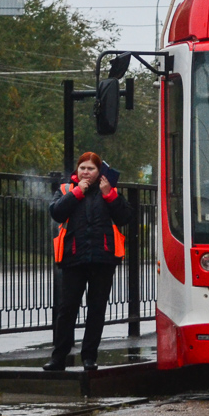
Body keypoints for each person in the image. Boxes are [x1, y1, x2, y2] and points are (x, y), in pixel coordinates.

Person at [44, 152, 134, 371]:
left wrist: (109, 195)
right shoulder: (67, 190)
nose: (86, 172)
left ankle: (89, 357)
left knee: (96, 309)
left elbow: (125, 217)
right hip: (73, 258)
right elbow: (56, 212)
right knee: (67, 309)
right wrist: (76, 192)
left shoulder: (109, 191)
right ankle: (59, 357)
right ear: (77, 170)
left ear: (99, 171)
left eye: (91, 168)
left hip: (103, 259)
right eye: (82, 168)